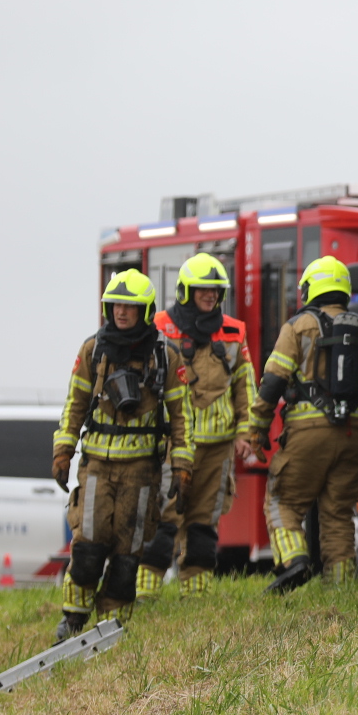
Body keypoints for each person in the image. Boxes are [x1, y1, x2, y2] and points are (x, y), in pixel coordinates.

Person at [50, 269, 193, 641]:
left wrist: (182, 466)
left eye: (129, 306)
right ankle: (72, 621)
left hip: (142, 473)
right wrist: (63, 452)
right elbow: (74, 405)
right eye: (115, 305)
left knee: (128, 559)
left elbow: (182, 417)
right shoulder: (92, 351)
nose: (121, 313)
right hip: (96, 468)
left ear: (145, 310)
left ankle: (108, 630)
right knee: (87, 549)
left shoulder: (165, 355)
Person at [251, 255, 358, 591]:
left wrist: (257, 428)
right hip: (351, 435)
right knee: (338, 512)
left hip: (306, 435)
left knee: (282, 500)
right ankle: (340, 587)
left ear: (309, 290)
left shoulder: (297, 327)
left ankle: (294, 561)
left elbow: (272, 382)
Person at [137, 253, 256, 599]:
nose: (211, 296)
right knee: (163, 517)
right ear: (186, 291)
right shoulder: (159, 327)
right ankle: (145, 590)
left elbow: (245, 386)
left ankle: (196, 594)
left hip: (218, 447)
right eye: (203, 290)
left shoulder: (234, 333)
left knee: (205, 521)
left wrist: (246, 433)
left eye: (216, 291)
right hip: (174, 446)